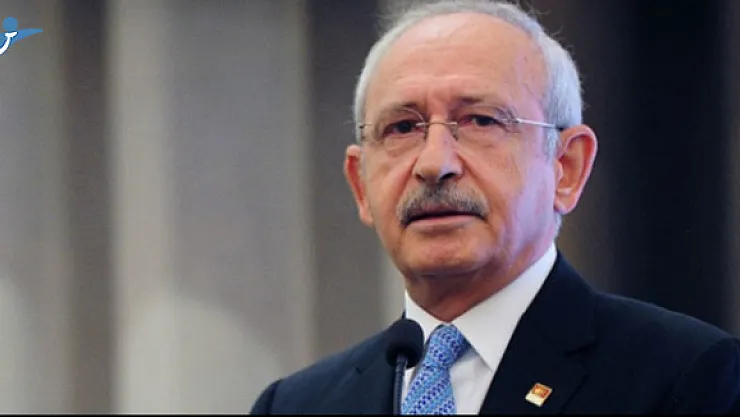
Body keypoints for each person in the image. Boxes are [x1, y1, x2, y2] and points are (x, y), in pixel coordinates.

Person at [250, 0, 740, 414]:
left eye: (481, 120)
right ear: (361, 185)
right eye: (402, 128)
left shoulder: (685, 377)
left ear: (566, 168)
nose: (434, 164)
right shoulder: (295, 405)